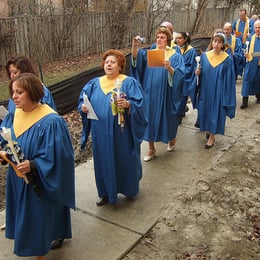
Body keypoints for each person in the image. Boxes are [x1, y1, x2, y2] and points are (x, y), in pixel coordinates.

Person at [0, 73, 75, 259]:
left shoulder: (51, 121)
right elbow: (6, 142)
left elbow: (61, 157)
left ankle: (40, 252)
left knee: (38, 219)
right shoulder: (13, 115)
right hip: (17, 178)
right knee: (26, 217)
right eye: (13, 92)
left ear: (32, 93)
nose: (14, 97)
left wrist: (33, 164)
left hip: (39, 181)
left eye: (20, 92)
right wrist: (4, 155)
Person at [78, 49, 147, 206]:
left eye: (113, 62)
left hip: (121, 132)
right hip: (99, 132)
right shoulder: (94, 84)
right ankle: (105, 193)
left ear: (120, 65)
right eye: (107, 62)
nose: (109, 64)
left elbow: (140, 104)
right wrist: (82, 107)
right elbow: (83, 99)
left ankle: (129, 189)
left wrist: (129, 104)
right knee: (102, 161)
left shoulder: (128, 82)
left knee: (124, 159)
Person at [131, 27, 185, 161]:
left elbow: (180, 74)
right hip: (149, 93)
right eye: (158, 37)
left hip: (167, 92)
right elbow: (136, 62)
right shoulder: (150, 53)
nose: (159, 39)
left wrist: (170, 68)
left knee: (168, 117)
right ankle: (151, 148)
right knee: (149, 118)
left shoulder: (175, 55)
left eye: (162, 37)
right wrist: (134, 46)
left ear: (168, 40)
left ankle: (171, 139)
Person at [195, 34, 236, 149]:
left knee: (215, 111)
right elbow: (201, 71)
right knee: (205, 109)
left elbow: (229, 79)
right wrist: (197, 72)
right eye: (215, 41)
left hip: (218, 90)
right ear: (212, 42)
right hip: (206, 88)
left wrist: (226, 94)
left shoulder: (227, 59)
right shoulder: (205, 57)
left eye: (219, 42)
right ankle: (208, 129)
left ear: (223, 44)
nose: (216, 44)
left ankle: (212, 137)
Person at [175, 32, 197, 124]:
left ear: (185, 39)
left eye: (180, 38)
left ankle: (179, 116)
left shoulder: (191, 51)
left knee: (182, 97)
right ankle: (182, 109)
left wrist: (181, 71)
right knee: (176, 97)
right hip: (176, 76)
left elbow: (191, 66)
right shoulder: (175, 49)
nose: (178, 40)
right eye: (177, 38)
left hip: (185, 77)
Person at [240, 20, 260, 108]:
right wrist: (245, 53)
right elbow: (245, 49)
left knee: (258, 80)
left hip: (259, 63)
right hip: (250, 62)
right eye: (256, 27)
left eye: (259, 27)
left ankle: (259, 96)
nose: (257, 29)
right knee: (247, 80)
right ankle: (245, 101)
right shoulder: (250, 38)